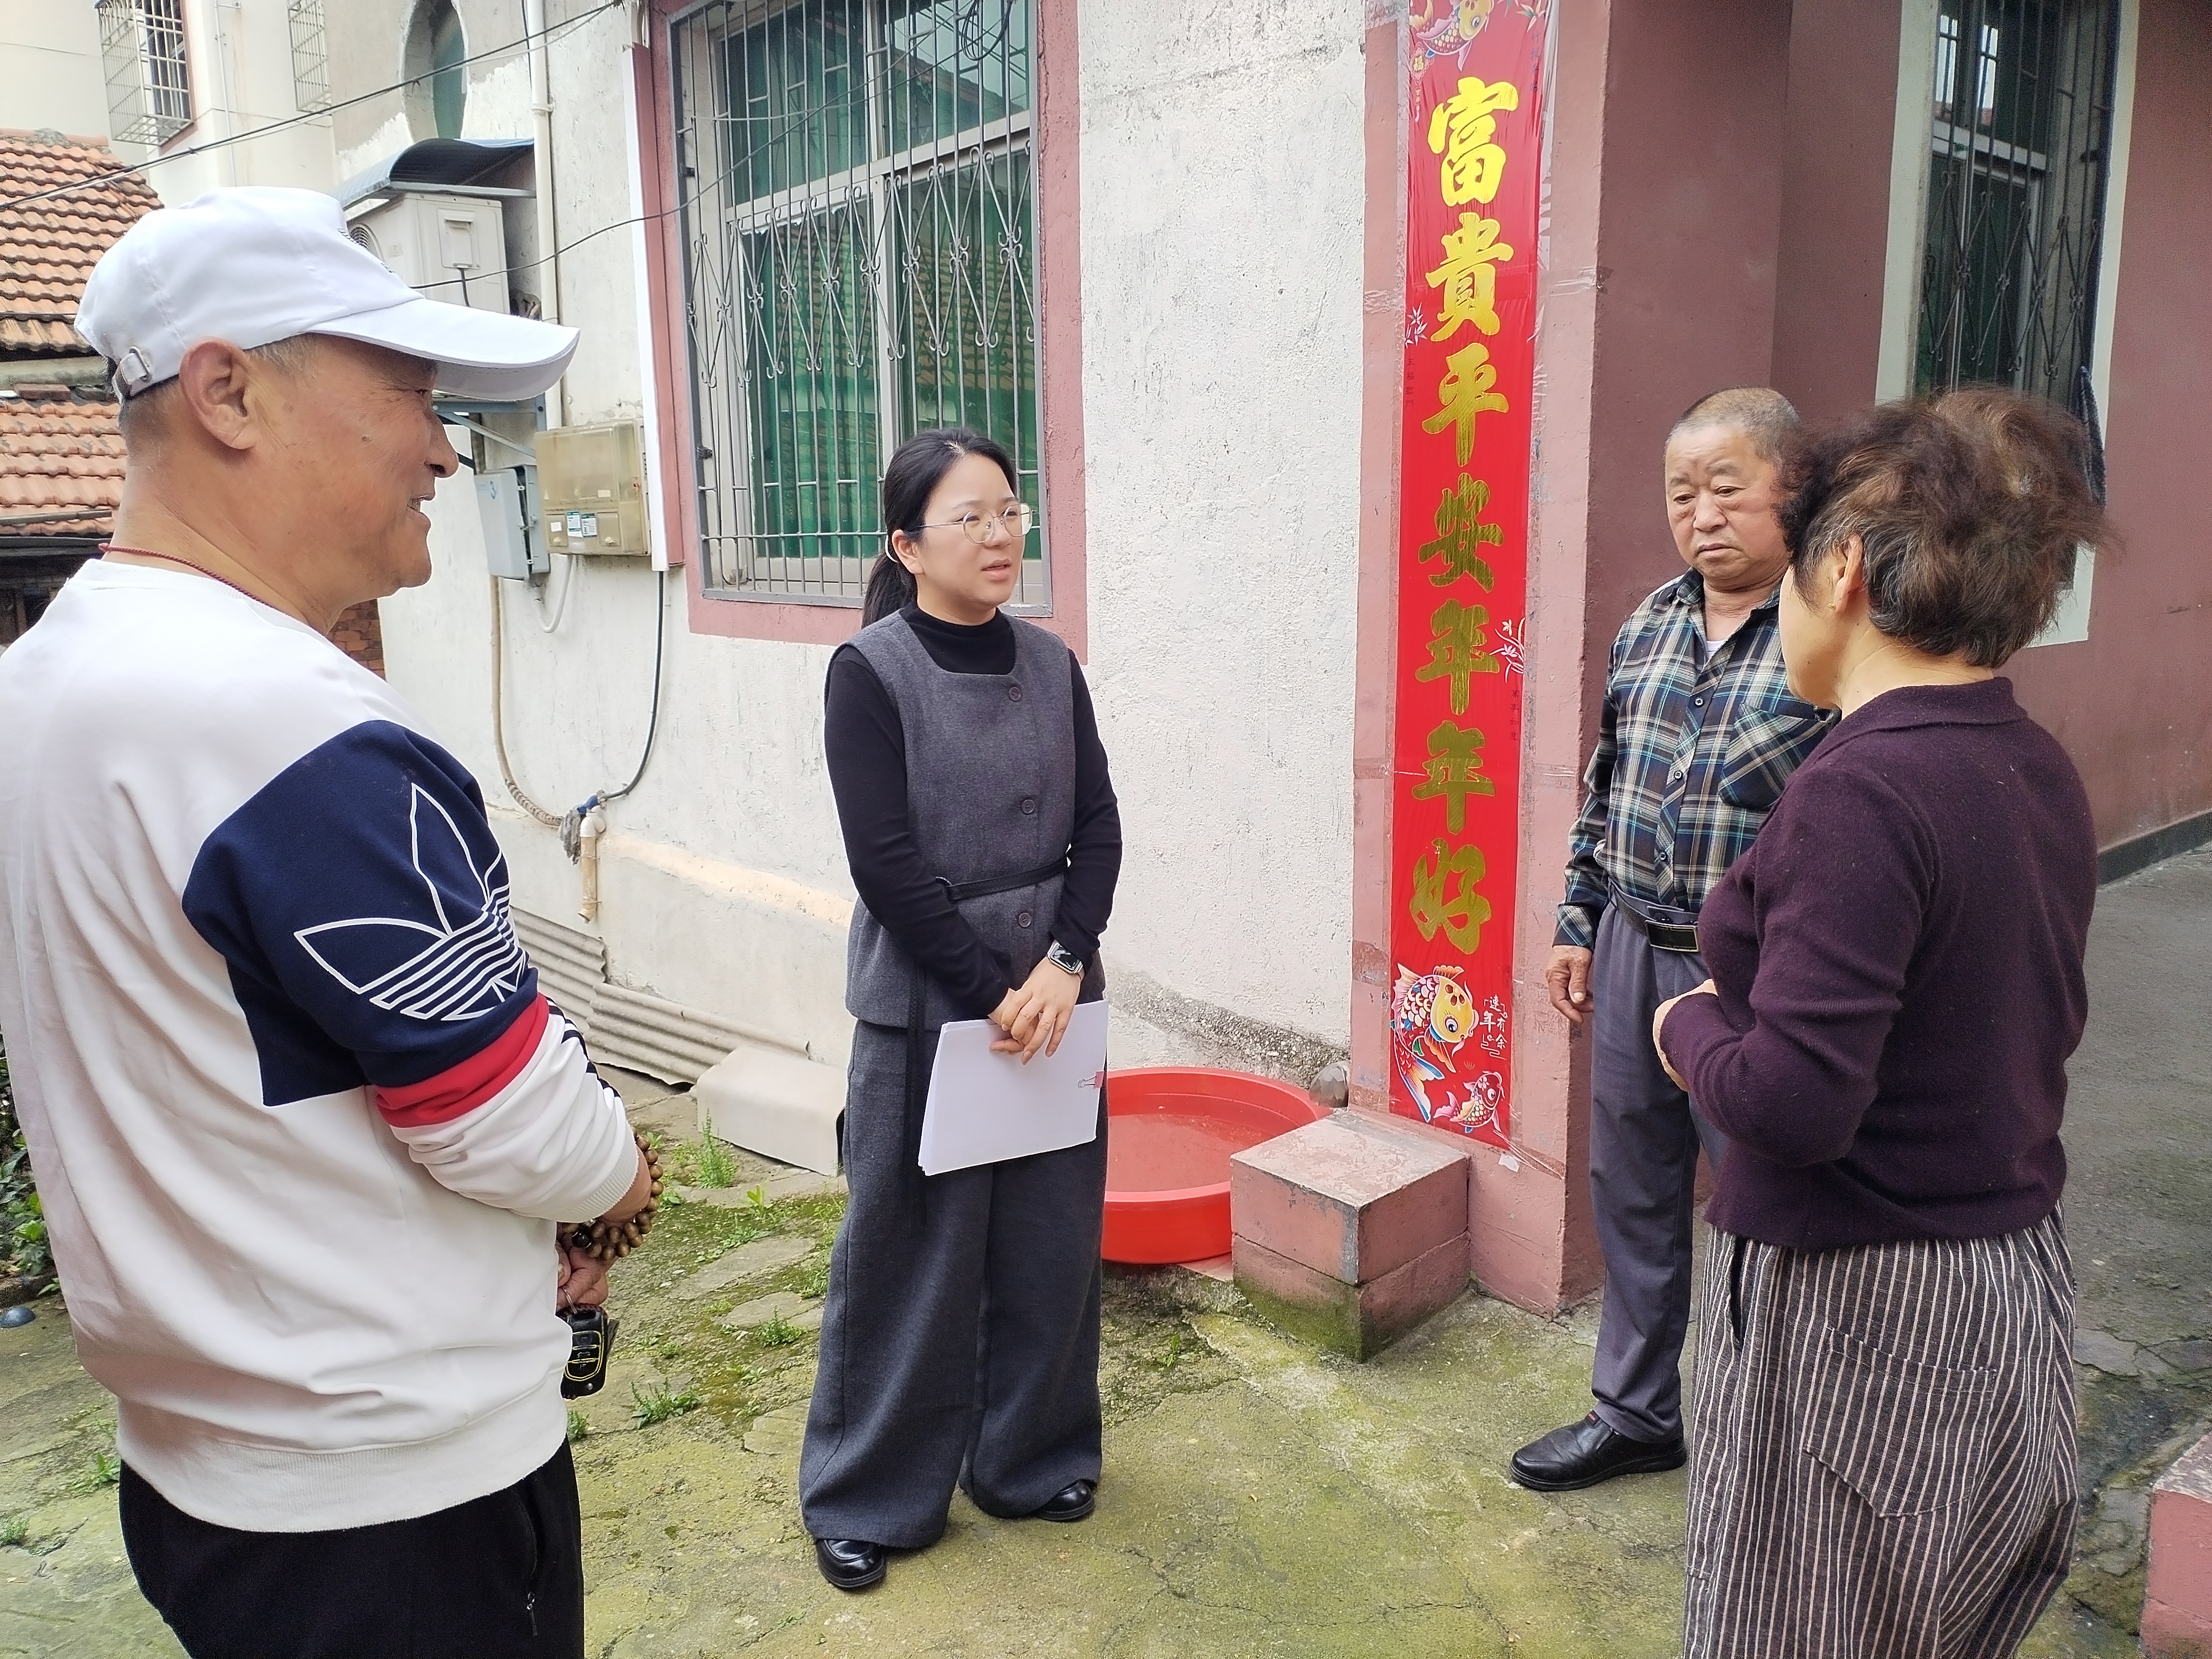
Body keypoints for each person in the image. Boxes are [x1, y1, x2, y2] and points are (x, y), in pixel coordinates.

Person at [0, 188, 654, 1659]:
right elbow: (508, 1121)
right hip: (391, 1496)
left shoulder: (44, 684)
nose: (443, 452)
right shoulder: (285, 726)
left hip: (207, 1469)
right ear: (229, 392)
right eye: (410, 395)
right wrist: (623, 1179)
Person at [1655, 388, 2104, 1656]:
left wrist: (1688, 1029)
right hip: (2004, 1279)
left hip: (1857, 1308)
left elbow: (1793, 1103)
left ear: (1842, 568)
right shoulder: (2028, 762)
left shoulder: (1860, 789)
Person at [800, 428, 1123, 1592]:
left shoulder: (1050, 663)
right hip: (931, 1003)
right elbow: (885, 865)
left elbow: (1099, 825)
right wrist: (994, 993)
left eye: (1009, 512)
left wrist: (1066, 961)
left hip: (1055, 996)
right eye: (969, 517)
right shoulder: (870, 673)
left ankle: (1031, 1458)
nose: (998, 536)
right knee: (906, 1257)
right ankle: (866, 1495)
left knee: (1049, 1245)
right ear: (906, 544)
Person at [1511, 388, 1834, 1493]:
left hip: (1754, 973)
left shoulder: (1831, 633)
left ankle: (1783, 1438)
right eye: (1681, 493)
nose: (1701, 515)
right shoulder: (1649, 622)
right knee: (1634, 1190)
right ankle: (1636, 1413)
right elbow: (1605, 787)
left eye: (1726, 489)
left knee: (1768, 1204)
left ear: (1793, 489)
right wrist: (1576, 921)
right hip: (1629, 946)